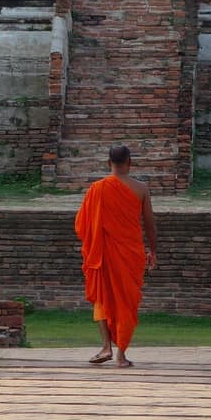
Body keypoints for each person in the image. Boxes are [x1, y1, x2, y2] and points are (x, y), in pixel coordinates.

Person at [73, 144, 157, 368]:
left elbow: (81, 224)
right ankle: (121, 355)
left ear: (109, 163)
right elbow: (150, 224)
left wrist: (94, 240)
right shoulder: (141, 189)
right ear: (130, 163)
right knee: (127, 301)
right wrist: (153, 251)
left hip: (103, 253)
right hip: (131, 253)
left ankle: (106, 347)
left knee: (103, 296)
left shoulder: (97, 188)